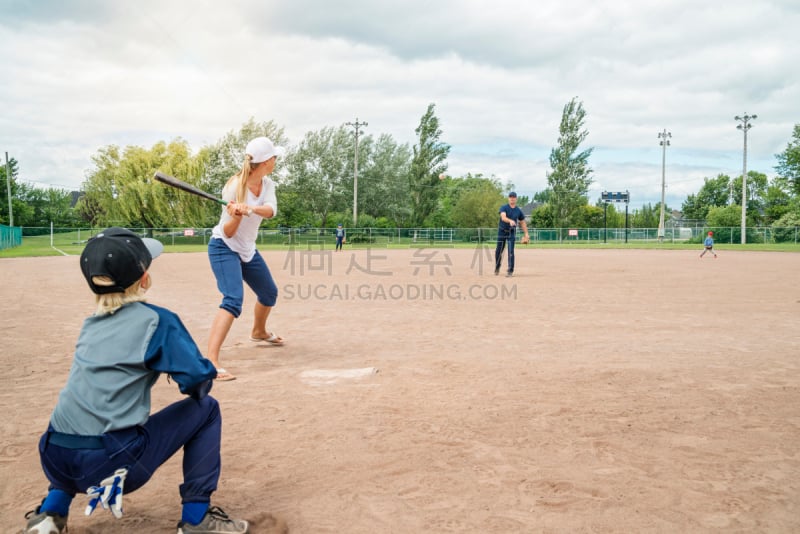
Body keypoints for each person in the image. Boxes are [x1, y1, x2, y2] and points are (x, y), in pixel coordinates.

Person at [22, 227, 249, 534]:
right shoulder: (156, 320)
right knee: (207, 409)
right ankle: (197, 518)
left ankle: (51, 514)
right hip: (110, 462)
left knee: (80, 417)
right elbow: (196, 380)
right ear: (144, 278)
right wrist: (197, 378)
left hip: (53, 456)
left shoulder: (90, 324)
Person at [207, 136, 285, 382]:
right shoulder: (234, 187)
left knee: (269, 293)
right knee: (233, 299)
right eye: (273, 157)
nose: (275, 160)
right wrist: (237, 215)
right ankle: (211, 361)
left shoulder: (267, 184)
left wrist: (249, 208)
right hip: (223, 246)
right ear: (265, 161)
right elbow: (228, 231)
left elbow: (271, 211)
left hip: (247, 249)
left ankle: (259, 332)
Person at [495, 191, 530, 277]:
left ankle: (510, 270)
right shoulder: (504, 207)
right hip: (502, 232)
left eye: (513, 197)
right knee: (499, 251)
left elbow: (522, 222)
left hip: (511, 232)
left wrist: (526, 233)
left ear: (516, 199)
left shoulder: (518, 210)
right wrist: (510, 220)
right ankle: (497, 266)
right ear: (508, 198)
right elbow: (503, 217)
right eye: (510, 197)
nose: (512, 198)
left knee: (511, 251)